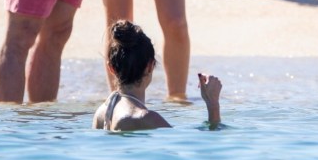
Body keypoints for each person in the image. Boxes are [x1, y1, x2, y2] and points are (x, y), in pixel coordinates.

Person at [92, 20, 222, 131]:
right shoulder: (146, 118)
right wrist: (213, 105)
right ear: (150, 66)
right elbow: (195, 151)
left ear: (111, 68)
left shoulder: (101, 114)